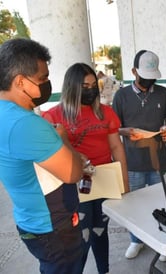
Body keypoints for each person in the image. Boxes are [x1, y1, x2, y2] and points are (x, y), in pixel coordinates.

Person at [0, 38, 85, 273]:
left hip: (29, 218)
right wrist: (64, 140)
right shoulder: (25, 123)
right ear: (20, 81)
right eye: (43, 79)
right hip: (53, 226)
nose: (47, 84)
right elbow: (73, 172)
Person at [42, 63, 129, 274]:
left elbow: (116, 147)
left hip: (104, 179)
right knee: (80, 236)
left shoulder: (105, 113)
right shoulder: (54, 116)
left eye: (92, 85)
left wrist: (124, 182)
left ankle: (104, 270)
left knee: (100, 230)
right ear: (72, 87)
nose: (90, 90)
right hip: (74, 183)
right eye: (84, 86)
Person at [112, 50, 166, 261]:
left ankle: (163, 240)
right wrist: (126, 131)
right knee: (135, 205)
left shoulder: (163, 93)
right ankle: (136, 240)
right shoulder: (121, 96)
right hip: (132, 162)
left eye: (152, 77)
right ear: (133, 72)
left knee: (163, 201)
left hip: (159, 161)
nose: (149, 81)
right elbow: (114, 129)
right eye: (144, 77)